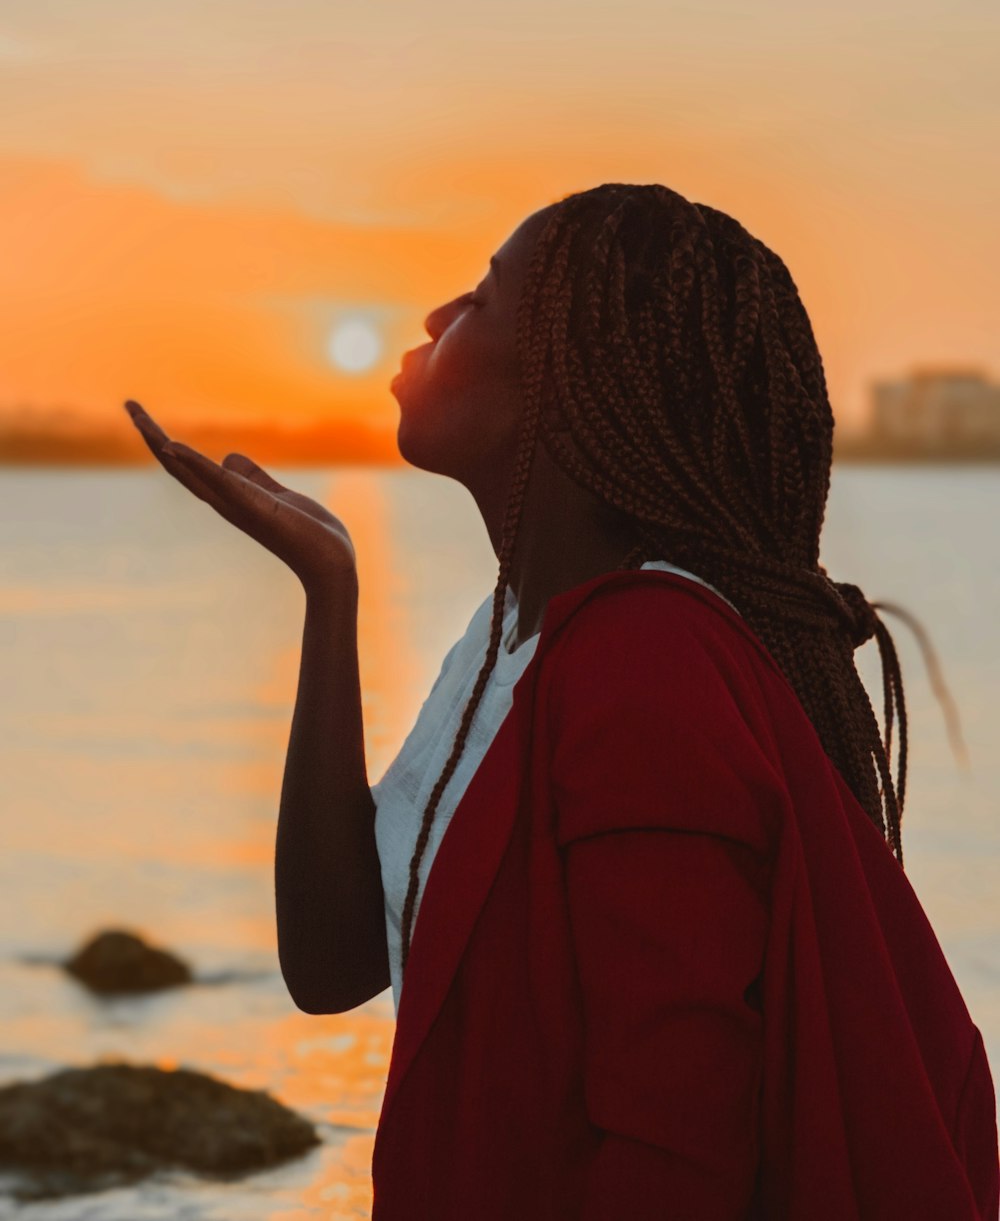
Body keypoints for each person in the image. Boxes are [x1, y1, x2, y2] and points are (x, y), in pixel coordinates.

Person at [124, 181, 1000, 1219]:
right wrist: (330, 590)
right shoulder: (505, 641)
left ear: (565, 384)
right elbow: (333, 961)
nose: (435, 318)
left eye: (482, 300)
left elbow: (676, 1154)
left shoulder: (646, 665)